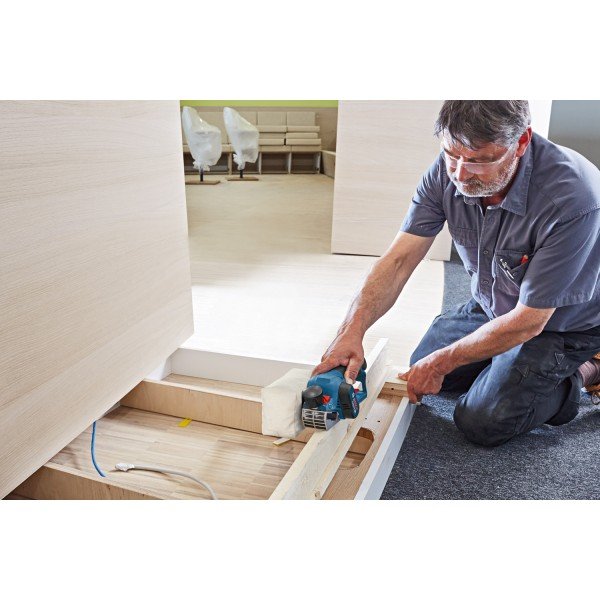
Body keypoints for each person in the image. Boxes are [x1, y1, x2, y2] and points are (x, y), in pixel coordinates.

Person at [313, 100, 600, 447]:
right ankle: (506, 365)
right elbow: (399, 260)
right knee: (424, 366)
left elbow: (530, 321)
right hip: (495, 304)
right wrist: (351, 330)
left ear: (521, 142)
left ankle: (585, 370)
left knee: (483, 420)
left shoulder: (573, 198)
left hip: (561, 324)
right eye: (452, 154)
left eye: (479, 160)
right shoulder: (446, 171)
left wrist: (445, 361)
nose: (460, 174)